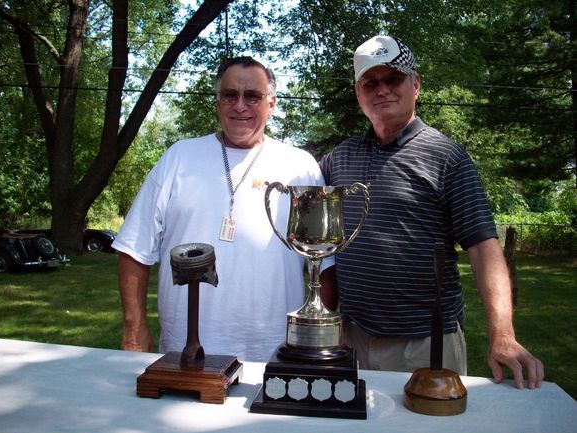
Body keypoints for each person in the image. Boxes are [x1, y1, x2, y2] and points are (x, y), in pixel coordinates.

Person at [319, 35, 544, 389]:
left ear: (416, 85)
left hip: (425, 345)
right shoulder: (339, 159)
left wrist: (502, 334)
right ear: (358, 93)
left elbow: (483, 247)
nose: (382, 90)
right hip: (350, 338)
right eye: (370, 82)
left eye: (393, 79)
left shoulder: (446, 157)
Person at [113, 56, 325, 362]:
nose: (240, 106)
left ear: (271, 104)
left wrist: (315, 338)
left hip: (276, 354)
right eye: (229, 95)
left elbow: (324, 265)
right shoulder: (179, 158)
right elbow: (134, 249)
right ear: (217, 102)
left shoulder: (300, 167)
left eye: (252, 96)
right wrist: (134, 330)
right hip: (186, 355)